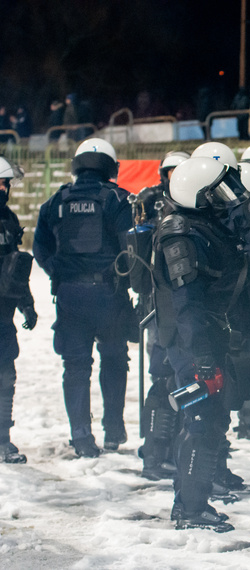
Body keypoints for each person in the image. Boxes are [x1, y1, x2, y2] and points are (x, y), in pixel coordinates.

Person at [154, 155, 250, 532]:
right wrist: (201, 356)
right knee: (202, 419)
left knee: (211, 418)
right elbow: (187, 303)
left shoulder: (206, 225)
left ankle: (191, 501)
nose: (227, 198)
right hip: (190, 339)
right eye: (218, 191)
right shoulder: (181, 234)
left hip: (207, 333)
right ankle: (190, 508)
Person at [33, 138, 134, 457]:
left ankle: (81, 437)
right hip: (109, 296)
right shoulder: (118, 198)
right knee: (115, 359)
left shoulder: (56, 200)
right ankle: (114, 430)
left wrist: (59, 273)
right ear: (109, 166)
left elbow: (40, 248)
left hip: (69, 297)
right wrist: (124, 280)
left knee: (76, 366)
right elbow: (131, 247)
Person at [133, 151, 189, 480]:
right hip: (161, 305)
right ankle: (155, 452)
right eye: (171, 171)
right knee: (164, 378)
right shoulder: (151, 201)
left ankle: (169, 449)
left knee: (179, 379)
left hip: (177, 304)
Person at [0, 157, 37, 463]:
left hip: (3, 316)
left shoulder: (9, 220)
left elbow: (16, 269)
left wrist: (27, 304)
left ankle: (2, 438)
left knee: (5, 376)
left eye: (6, 184)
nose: (3, 188)